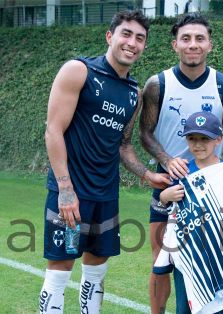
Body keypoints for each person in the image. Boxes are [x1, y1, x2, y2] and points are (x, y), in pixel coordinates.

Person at [39, 10, 170, 314]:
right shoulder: (78, 71)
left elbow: (122, 145)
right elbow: (53, 130)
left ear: (144, 46)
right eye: (126, 34)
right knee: (60, 269)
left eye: (140, 38)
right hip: (72, 193)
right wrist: (65, 189)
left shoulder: (133, 93)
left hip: (106, 193)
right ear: (110, 36)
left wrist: (147, 174)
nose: (132, 42)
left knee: (97, 270)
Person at [139, 13, 223, 314]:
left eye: (199, 38)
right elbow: (145, 133)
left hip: (211, 183)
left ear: (209, 44)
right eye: (186, 39)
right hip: (168, 182)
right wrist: (166, 159)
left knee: (214, 254)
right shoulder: (157, 84)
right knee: (162, 258)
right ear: (175, 45)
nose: (193, 44)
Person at [153, 111, 223, 314]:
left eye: (205, 138)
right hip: (188, 250)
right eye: (192, 138)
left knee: (219, 307)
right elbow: (168, 207)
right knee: (184, 308)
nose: (198, 145)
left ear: (218, 140)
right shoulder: (182, 171)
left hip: (219, 249)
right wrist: (165, 196)